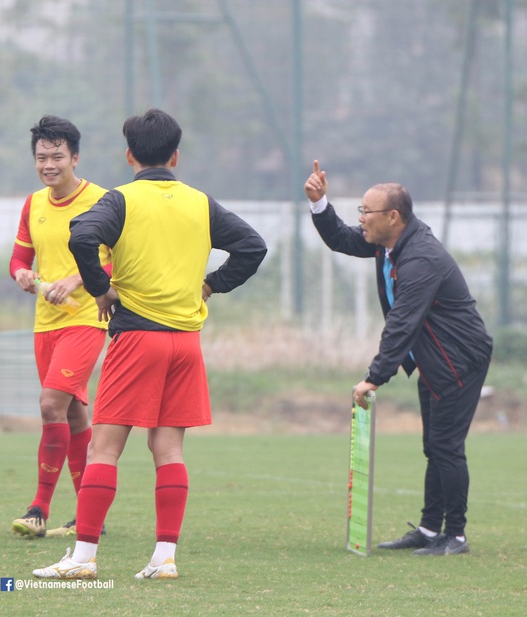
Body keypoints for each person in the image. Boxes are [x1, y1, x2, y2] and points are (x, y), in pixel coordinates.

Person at [32, 108, 267, 580]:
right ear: (176, 156)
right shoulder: (200, 202)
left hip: (137, 337)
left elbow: (83, 235)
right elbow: (253, 246)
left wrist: (99, 288)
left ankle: (82, 558)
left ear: (129, 155)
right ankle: (164, 559)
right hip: (186, 342)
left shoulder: (121, 199)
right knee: (169, 451)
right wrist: (211, 285)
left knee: (103, 449)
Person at [304, 160, 492, 555]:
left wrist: (375, 376)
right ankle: (428, 530)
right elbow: (340, 238)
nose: (361, 220)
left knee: (445, 446)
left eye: (366, 212)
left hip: (460, 360)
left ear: (393, 216)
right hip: (434, 359)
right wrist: (320, 204)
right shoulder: (386, 243)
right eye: (360, 211)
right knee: (435, 445)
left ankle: (454, 536)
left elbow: (403, 323)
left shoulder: (421, 259)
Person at [9, 115, 112, 538]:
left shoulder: (105, 201)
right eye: (41, 158)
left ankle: (39, 509)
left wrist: (80, 277)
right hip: (45, 323)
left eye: (56, 156)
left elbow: (120, 263)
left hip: (87, 318)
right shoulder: (33, 204)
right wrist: (21, 275)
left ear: (75, 157)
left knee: (50, 404)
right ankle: (91, 518)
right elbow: (19, 259)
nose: (48, 165)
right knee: (71, 415)